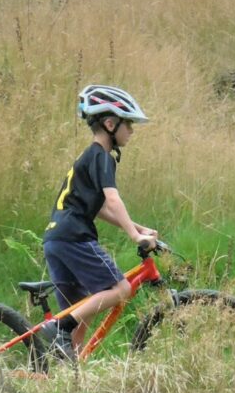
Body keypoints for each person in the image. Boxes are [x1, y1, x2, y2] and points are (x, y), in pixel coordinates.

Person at [40, 84, 158, 360]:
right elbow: (113, 200)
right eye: (128, 124)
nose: (132, 131)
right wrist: (135, 237)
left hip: (56, 240)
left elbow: (101, 209)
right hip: (75, 238)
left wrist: (139, 228)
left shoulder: (87, 157)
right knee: (120, 289)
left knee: (81, 311)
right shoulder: (101, 156)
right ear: (109, 123)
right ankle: (59, 326)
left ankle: (70, 378)